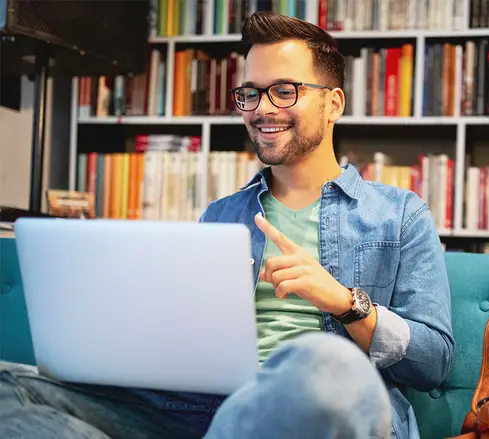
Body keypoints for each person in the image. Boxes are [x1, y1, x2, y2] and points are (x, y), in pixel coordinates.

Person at [0, 11, 454, 439]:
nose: (262, 108)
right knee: (8, 383)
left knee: (327, 363)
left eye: (284, 90)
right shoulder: (221, 216)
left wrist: (343, 302)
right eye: (251, 93)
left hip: (323, 405)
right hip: (208, 408)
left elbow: (433, 360)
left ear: (333, 103)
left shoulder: (400, 214)